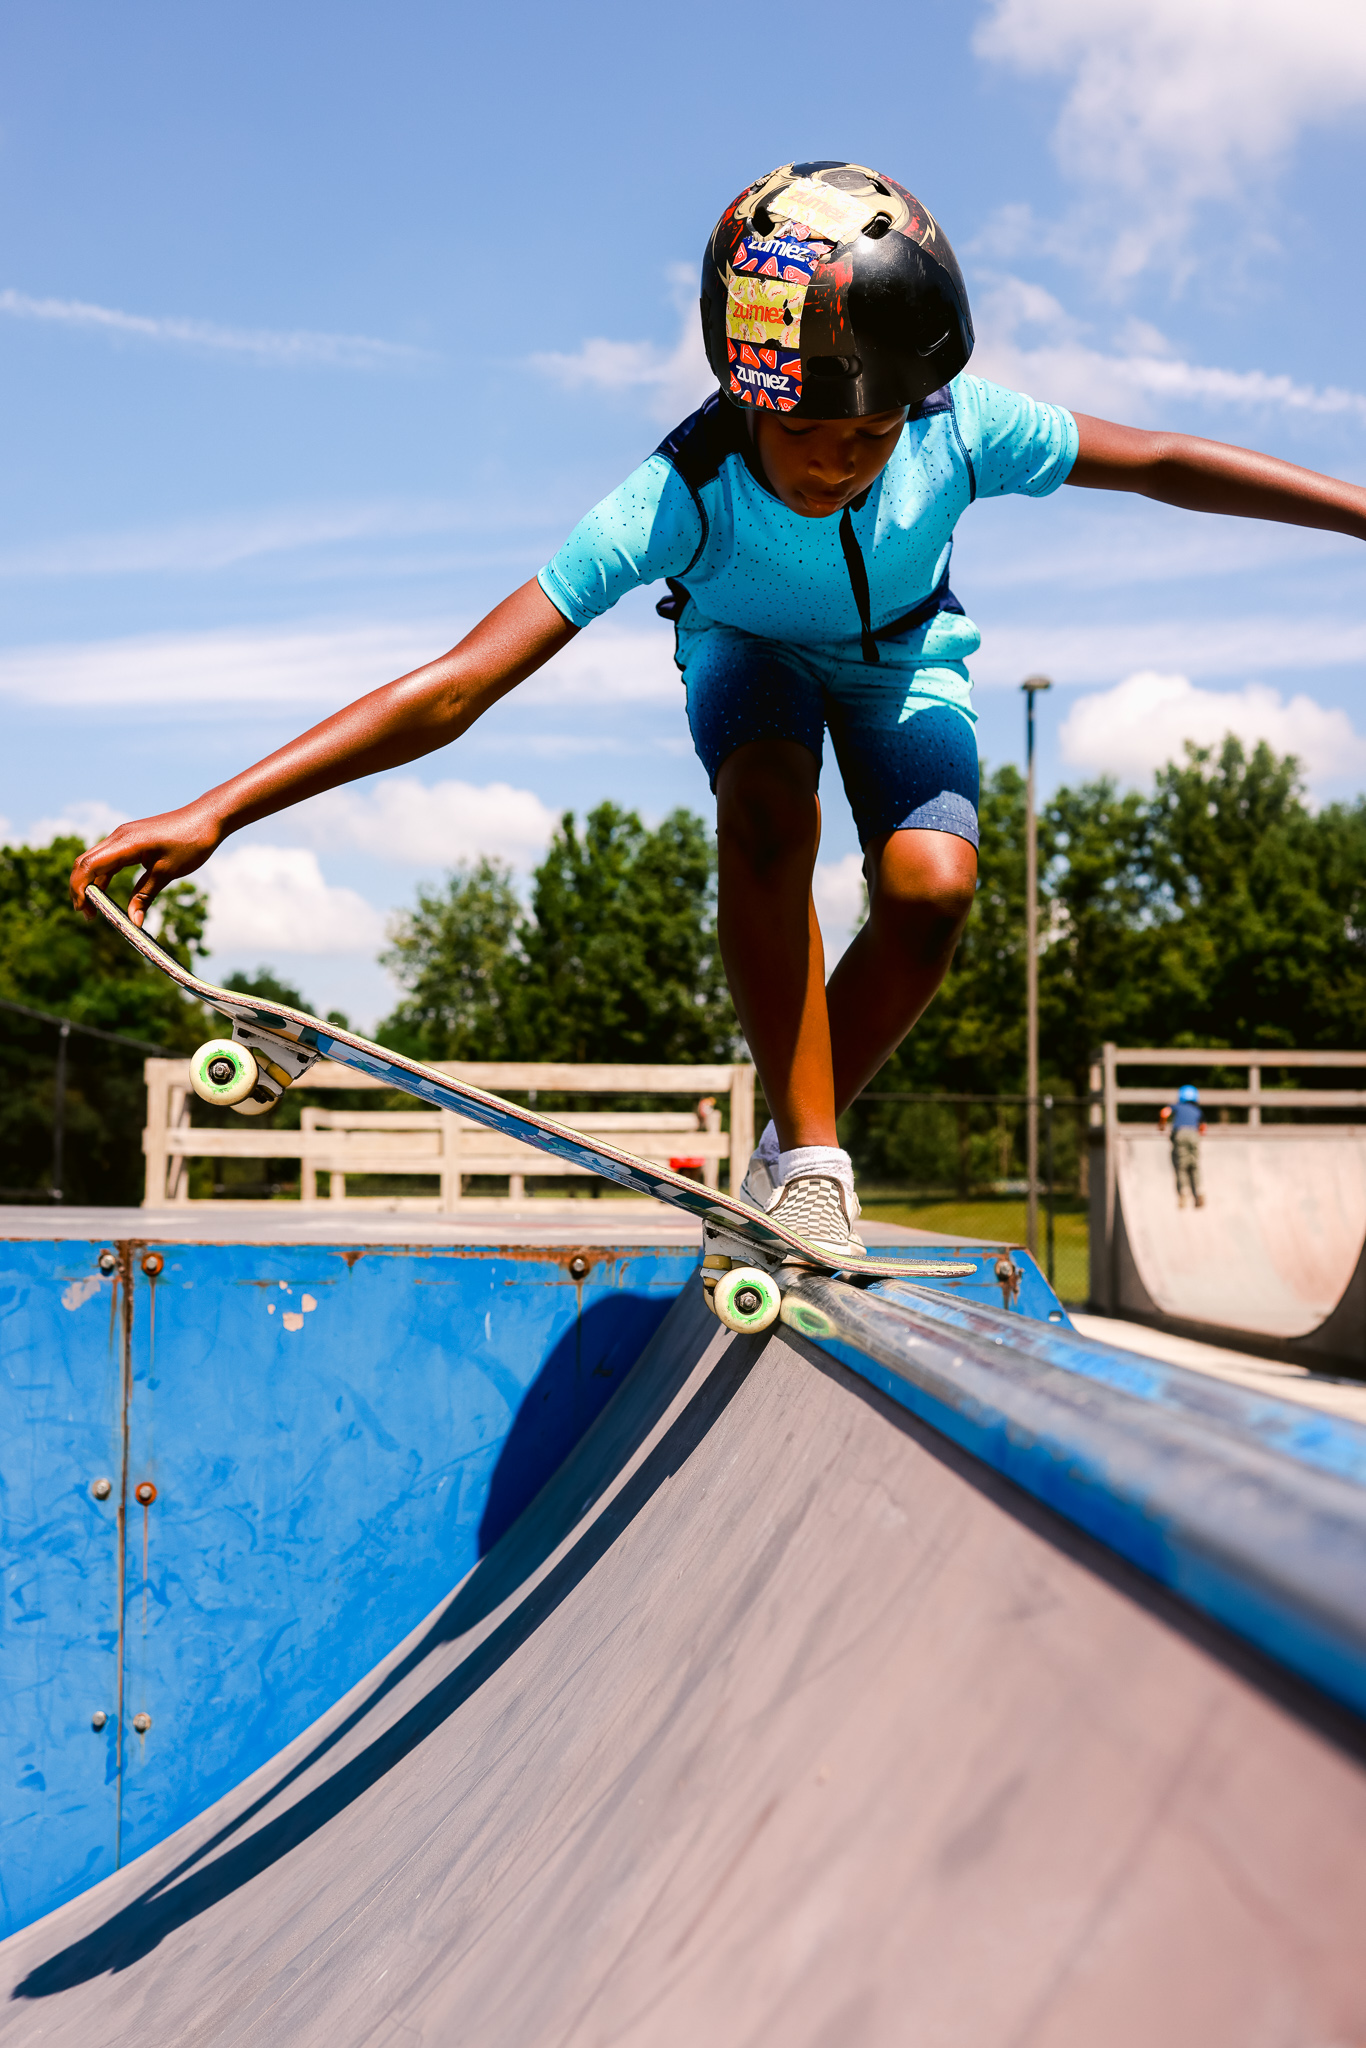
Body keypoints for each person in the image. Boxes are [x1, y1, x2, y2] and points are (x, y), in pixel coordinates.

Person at [70, 159, 1366, 1259]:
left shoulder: (957, 425)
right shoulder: (675, 491)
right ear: (748, 388)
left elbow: (1163, 464)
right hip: (747, 656)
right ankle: (811, 1160)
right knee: (764, 807)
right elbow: (460, 682)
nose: (843, 467)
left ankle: (775, 1140)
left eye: (871, 441)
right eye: (811, 435)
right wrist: (218, 810)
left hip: (907, 659)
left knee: (929, 893)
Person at [1159, 1084, 1207, 1209]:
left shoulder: (1177, 1106)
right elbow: (1203, 1128)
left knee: (1181, 1165)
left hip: (1180, 1134)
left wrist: (1162, 1126)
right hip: (1194, 1135)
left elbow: (1164, 1113)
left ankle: (1184, 1193)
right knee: (1194, 1165)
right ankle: (1199, 1191)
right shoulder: (1198, 1110)